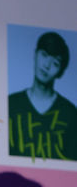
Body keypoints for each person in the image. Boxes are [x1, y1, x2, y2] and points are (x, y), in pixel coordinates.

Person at [9, 31, 77, 161]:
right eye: (44, 55)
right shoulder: (11, 104)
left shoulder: (70, 114)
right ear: (35, 55)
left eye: (55, 63)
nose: (47, 65)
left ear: (61, 72)